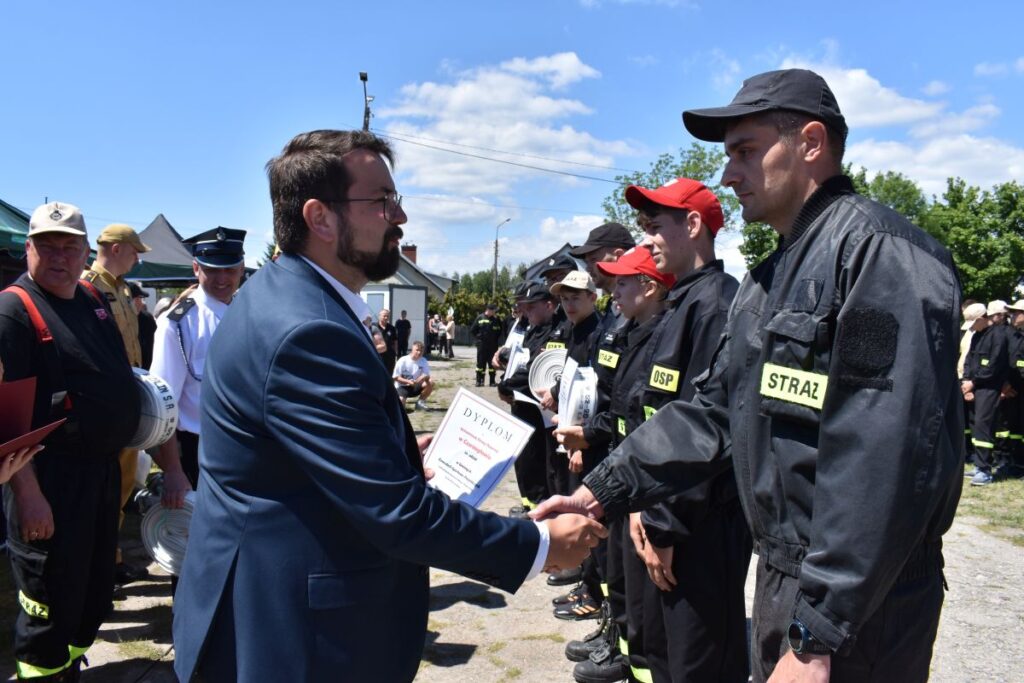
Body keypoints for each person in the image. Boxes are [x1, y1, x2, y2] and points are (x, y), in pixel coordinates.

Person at [535, 68, 964, 683]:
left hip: (862, 602)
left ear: (810, 143)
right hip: (791, 581)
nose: (728, 174)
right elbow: (713, 412)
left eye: (744, 151)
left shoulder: (880, 256)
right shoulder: (769, 280)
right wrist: (601, 490)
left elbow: (884, 456)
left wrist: (818, 633)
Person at [171, 129, 606, 682]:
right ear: (320, 218)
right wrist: (539, 545)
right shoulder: (308, 329)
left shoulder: (288, 295)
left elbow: (304, 458)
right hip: (291, 635)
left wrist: (388, 453)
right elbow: (396, 513)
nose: (399, 216)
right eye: (382, 201)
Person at [0, 202, 141, 680]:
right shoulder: (14, 310)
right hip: (49, 480)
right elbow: (7, 421)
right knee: (49, 601)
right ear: (27, 249)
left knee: (92, 592)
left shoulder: (91, 298)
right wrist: (30, 496)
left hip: (99, 472)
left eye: (69, 247)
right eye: (47, 246)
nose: (59, 256)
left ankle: (70, 668)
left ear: (86, 253)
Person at [81, 223, 152, 588]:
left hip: (127, 397)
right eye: (134, 250)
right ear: (115, 248)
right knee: (103, 490)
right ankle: (101, 564)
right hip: (105, 403)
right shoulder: (87, 286)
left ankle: (112, 557)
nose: (137, 258)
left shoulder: (122, 289)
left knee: (123, 484)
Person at [150, 227, 245, 492]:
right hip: (198, 450)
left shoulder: (248, 313)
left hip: (245, 444)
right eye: (211, 270)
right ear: (195, 268)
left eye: (229, 269)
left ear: (241, 269)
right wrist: (173, 470)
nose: (221, 278)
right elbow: (164, 403)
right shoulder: (178, 324)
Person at [962, 301, 1009, 486]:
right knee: (975, 424)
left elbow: (994, 365)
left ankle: (985, 470)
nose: (971, 328)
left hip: (989, 388)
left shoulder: (998, 335)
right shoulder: (977, 335)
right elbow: (969, 359)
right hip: (974, 386)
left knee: (984, 425)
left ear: (982, 318)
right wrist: (966, 381)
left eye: (973, 323)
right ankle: (978, 463)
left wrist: (973, 382)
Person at [393, 340, 434, 410]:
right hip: (402, 387)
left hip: (415, 385)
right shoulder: (403, 360)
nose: (419, 352)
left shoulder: (423, 360)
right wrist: (408, 382)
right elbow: (395, 377)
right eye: (417, 350)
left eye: (421, 351)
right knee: (401, 408)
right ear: (412, 350)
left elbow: (426, 375)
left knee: (430, 381)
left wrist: (420, 379)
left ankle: (420, 402)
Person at [470, 303, 502, 386]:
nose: (495, 312)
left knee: (492, 364)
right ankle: (479, 381)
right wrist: (479, 338)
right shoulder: (480, 318)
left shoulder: (496, 319)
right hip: (482, 345)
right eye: (494, 310)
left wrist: (495, 340)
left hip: (493, 346)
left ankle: (492, 381)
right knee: (480, 363)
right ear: (489, 310)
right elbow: (473, 330)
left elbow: (500, 331)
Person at [131, 283, 156, 370]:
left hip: (145, 371)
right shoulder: (115, 319)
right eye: (136, 299)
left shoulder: (147, 319)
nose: (140, 303)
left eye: (140, 299)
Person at [370, 308, 399, 374]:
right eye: (384, 316)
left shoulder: (392, 328)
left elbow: (395, 341)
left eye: (387, 316)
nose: (386, 318)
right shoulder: (373, 327)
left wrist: (396, 353)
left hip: (390, 356)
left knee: (389, 373)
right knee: (377, 372)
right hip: (378, 354)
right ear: (379, 316)